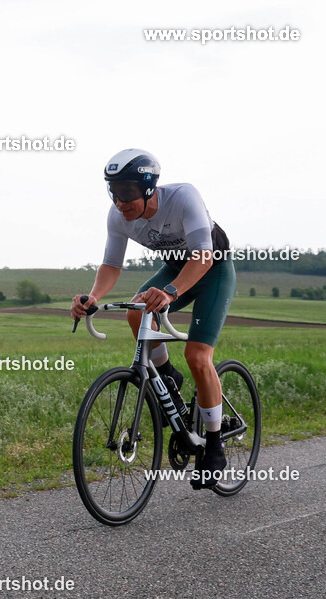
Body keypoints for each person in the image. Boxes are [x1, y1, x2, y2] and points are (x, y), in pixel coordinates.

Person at [71, 149, 236, 490]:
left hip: (212, 269)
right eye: (114, 193)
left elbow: (203, 256)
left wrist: (171, 293)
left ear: (148, 188)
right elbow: (111, 265)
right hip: (176, 269)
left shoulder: (183, 197)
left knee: (197, 356)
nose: (120, 202)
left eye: (127, 192)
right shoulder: (118, 216)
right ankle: (167, 377)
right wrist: (94, 296)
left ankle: (214, 445)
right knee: (136, 309)